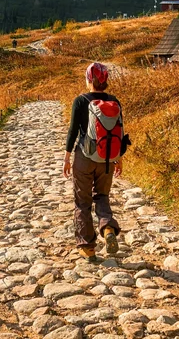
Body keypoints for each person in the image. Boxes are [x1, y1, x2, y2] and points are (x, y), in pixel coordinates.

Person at [63, 62, 123, 260]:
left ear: (89, 79)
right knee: (102, 196)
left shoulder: (81, 101)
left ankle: (87, 247)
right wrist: (119, 158)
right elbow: (119, 132)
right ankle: (107, 228)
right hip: (107, 158)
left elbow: (73, 131)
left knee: (82, 202)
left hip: (85, 157)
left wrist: (67, 156)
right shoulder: (114, 101)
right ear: (105, 80)